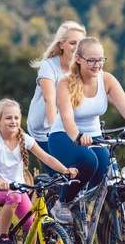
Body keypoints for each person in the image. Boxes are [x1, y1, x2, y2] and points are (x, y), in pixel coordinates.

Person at [47, 37, 125, 223]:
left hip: (95, 138)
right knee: (89, 161)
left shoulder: (107, 80)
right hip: (64, 136)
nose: (97, 65)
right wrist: (78, 136)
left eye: (100, 60)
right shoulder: (66, 83)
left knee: (109, 187)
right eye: (91, 60)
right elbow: (67, 118)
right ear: (79, 59)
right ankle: (63, 203)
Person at [0, 98, 78, 244]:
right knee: (13, 197)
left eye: (16, 117)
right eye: (8, 118)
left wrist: (65, 170)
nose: (13, 121)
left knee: (32, 225)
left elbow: (46, 157)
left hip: (18, 188)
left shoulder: (24, 138)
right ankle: (2, 237)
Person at [26, 21, 86, 175]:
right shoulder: (49, 66)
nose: (77, 47)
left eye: (80, 43)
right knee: (61, 173)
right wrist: (56, 132)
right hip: (44, 127)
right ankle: (57, 197)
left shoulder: (83, 67)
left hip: (65, 123)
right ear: (61, 45)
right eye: (72, 43)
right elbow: (50, 100)